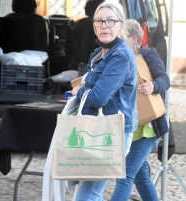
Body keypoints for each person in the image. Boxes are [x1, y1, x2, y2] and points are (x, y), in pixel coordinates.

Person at [71, 2, 138, 201]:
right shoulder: (100, 53)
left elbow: (99, 97)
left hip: (112, 133)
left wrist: (79, 91)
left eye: (111, 21)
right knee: (89, 194)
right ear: (94, 26)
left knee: (86, 196)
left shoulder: (120, 56)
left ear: (122, 26)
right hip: (98, 129)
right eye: (99, 21)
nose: (104, 25)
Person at [110, 19, 170, 201]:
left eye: (121, 37)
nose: (117, 42)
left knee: (125, 175)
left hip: (147, 128)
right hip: (131, 127)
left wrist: (153, 85)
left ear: (133, 38)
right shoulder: (121, 58)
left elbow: (165, 79)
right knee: (141, 178)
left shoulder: (148, 55)